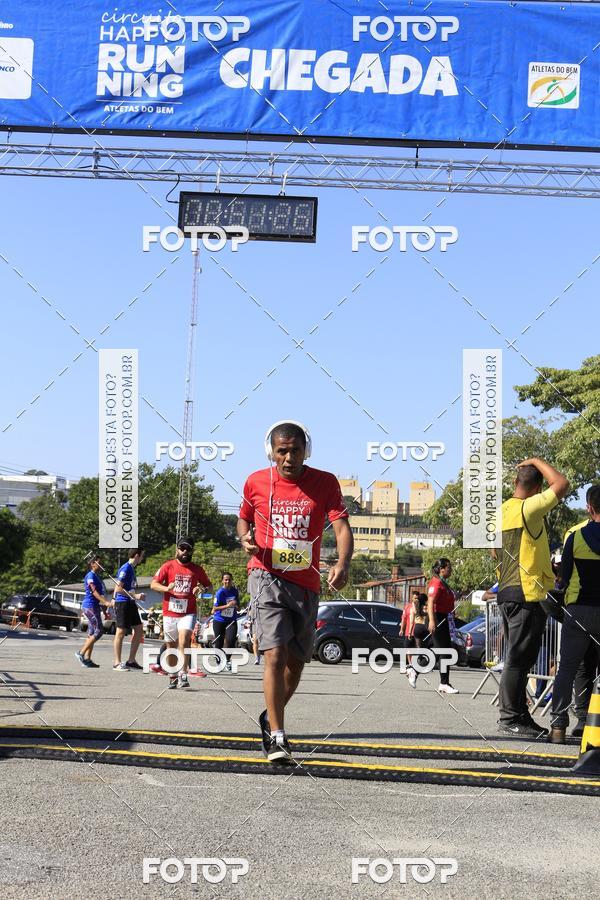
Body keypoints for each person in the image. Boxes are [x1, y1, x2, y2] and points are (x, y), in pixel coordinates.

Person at [237, 420, 353, 763]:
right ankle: (278, 736)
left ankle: (270, 716)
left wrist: (342, 562)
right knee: (274, 653)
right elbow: (243, 519)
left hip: (305, 582)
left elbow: (342, 526)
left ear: (306, 450)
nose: (288, 457)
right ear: (271, 451)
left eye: (295, 450)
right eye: (281, 450)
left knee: (297, 662)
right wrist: (244, 536)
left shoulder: (325, 482)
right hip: (265, 575)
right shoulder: (256, 481)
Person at [495, 458, 569, 737]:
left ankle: (519, 717)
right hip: (527, 592)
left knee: (518, 658)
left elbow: (493, 551)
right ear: (537, 488)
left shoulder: (501, 511)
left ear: (515, 483)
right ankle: (511, 718)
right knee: (518, 659)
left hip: (507, 590)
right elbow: (561, 484)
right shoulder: (530, 507)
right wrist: (538, 460)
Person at [549, 485, 600, 743]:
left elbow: (563, 579)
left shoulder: (576, 538)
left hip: (578, 611)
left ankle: (558, 727)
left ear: (589, 508)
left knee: (567, 669)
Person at [150, 536, 213, 689]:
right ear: (177, 549)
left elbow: (210, 588)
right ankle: (172, 675)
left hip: (188, 612)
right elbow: (153, 584)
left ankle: (183, 674)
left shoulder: (197, 569)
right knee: (171, 646)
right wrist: (166, 589)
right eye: (182, 548)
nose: (185, 551)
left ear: (192, 551)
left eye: (188, 549)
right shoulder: (168, 566)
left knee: (184, 640)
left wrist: (202, 589)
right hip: (170, 612)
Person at [425, 558, 459, 694]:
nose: (451, 570)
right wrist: (432, 621)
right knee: (444, 652)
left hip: (443, 617)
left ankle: (414, 669)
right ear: (441, 569)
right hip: (436, 617)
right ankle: (444, 683)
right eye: (448, 567)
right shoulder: (436, 582)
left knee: (439, 651)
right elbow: (431, 602)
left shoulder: (444, 583)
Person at [112, 548, 146, 671]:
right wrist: (135, 596)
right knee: (120, 632)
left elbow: (129, 588)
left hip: (130, 603)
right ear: (137, 555)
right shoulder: (126, 568)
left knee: (138, 629)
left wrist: (136, 597)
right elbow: (118, 589)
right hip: (122, 603)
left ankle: (131, 660)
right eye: (142, 556)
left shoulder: (131, 568)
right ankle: (117, 662)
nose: (143, 558)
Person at [76, 554, 110, 668]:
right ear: (92, 564)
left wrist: (105, 611)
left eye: (101, 563)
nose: (101, 565)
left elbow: (101, 594)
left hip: (95, 606)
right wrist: (105, 602)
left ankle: (88, 659)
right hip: (89, 606)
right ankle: (81, 653)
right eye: (99, 563)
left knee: (91, 633)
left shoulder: (98, 577)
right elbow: (94, 591)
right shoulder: (90, 575)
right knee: (99, 631)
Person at [212, 572, 240, 673]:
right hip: (219, 620)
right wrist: (228, 605)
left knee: (231, 641)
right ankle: (219, 662)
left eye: (229, 579)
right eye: (226, 579)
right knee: (218, 643)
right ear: (222, 581)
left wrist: (236, 605)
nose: (227, 581)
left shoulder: (235, 591)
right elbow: (215, 608)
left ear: (232, 580)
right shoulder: (220, 592)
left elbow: (238, 606)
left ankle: (227, 660)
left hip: (231, 620)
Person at [405, 592, 429, 688]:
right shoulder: (427, 607)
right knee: (426, 649)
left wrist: (410, 632)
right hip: (426, 628)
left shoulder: (414, 607)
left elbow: (411, 622)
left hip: (417, 628)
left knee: (419, 647)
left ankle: (417, 661)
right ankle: (419, 664)